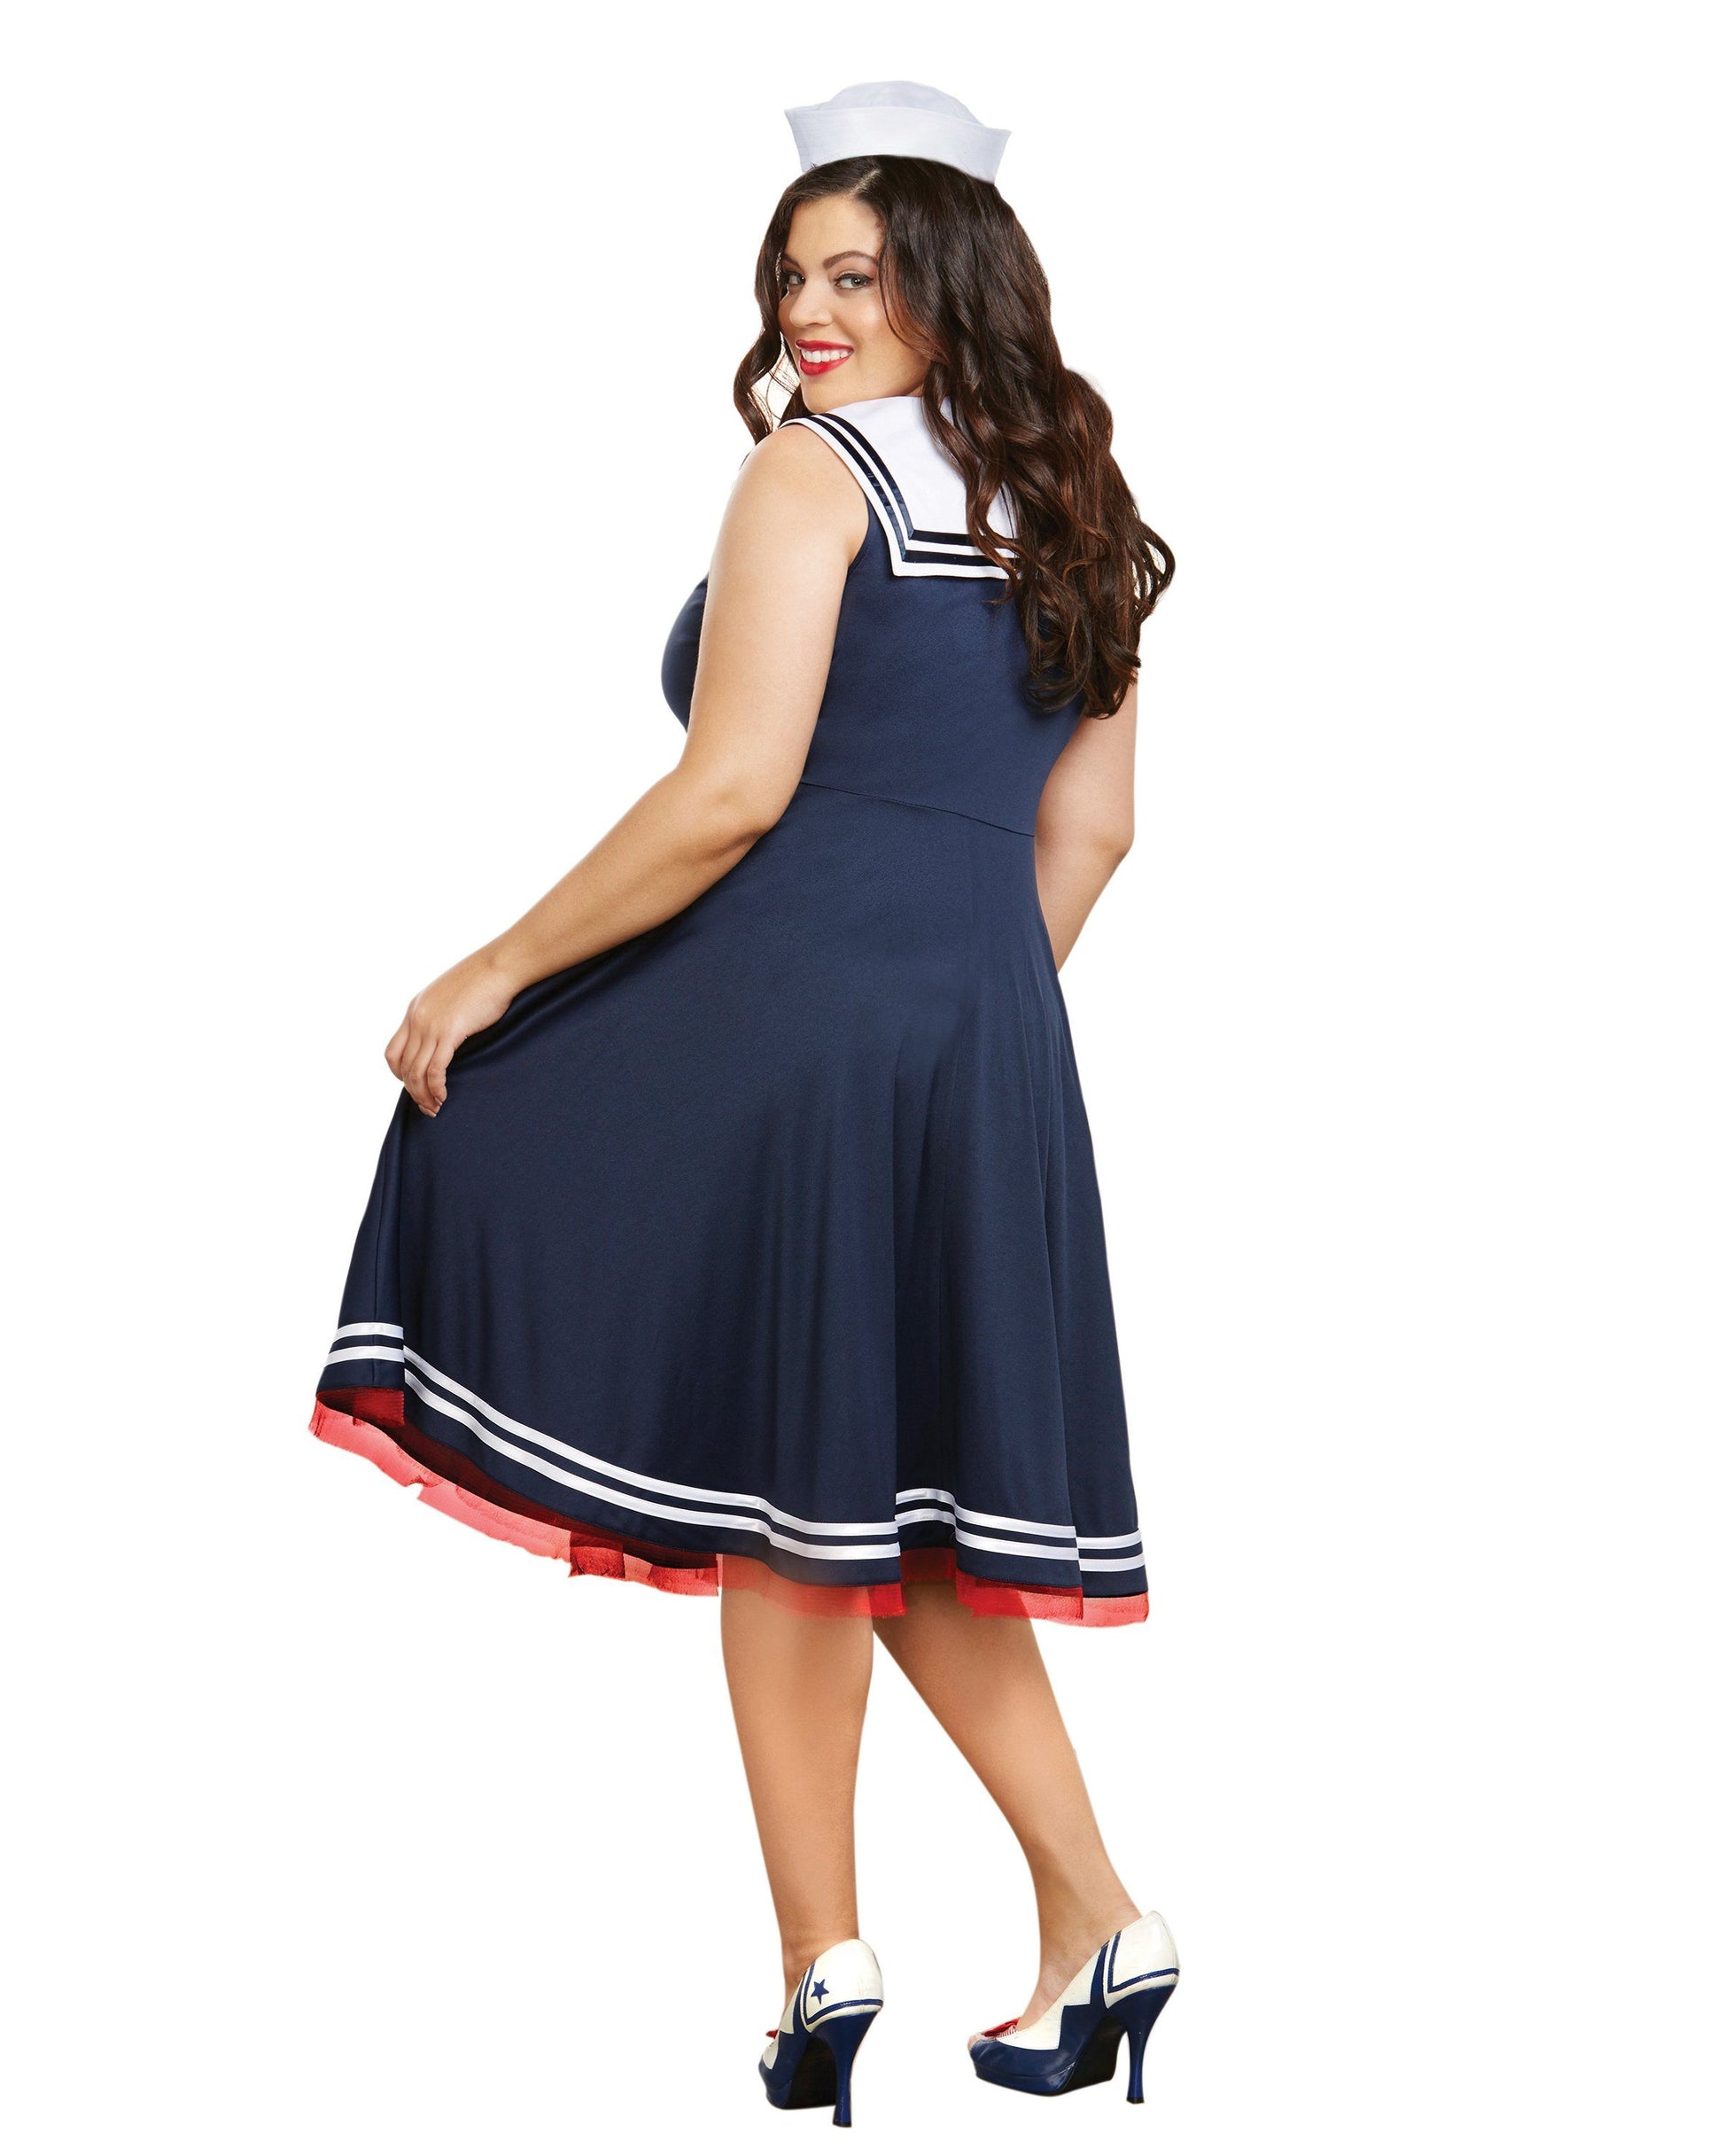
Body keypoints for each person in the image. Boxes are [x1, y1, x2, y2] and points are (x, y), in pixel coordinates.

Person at [310, 81, 1180, 2122]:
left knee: (784, 1474)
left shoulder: (813, 473)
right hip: (981, 1039)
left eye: (856, 274)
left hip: (789, 1006)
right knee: (873, 1507)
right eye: (792, 274)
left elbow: (730, 791)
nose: (808, 311)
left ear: (950, 281)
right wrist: (951, 1037)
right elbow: (1094, 835)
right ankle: (1079, 1921)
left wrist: (494, 964)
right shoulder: (1077, 508)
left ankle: (828, 1956)